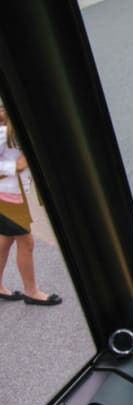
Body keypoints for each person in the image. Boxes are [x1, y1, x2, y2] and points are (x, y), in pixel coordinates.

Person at [0, 105, 61, 306]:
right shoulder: (4, 132)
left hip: (12, 195)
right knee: (26, 241)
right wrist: (15, 166)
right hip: (6, 198)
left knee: (6, 240)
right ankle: (31, 291)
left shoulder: (15, 130)